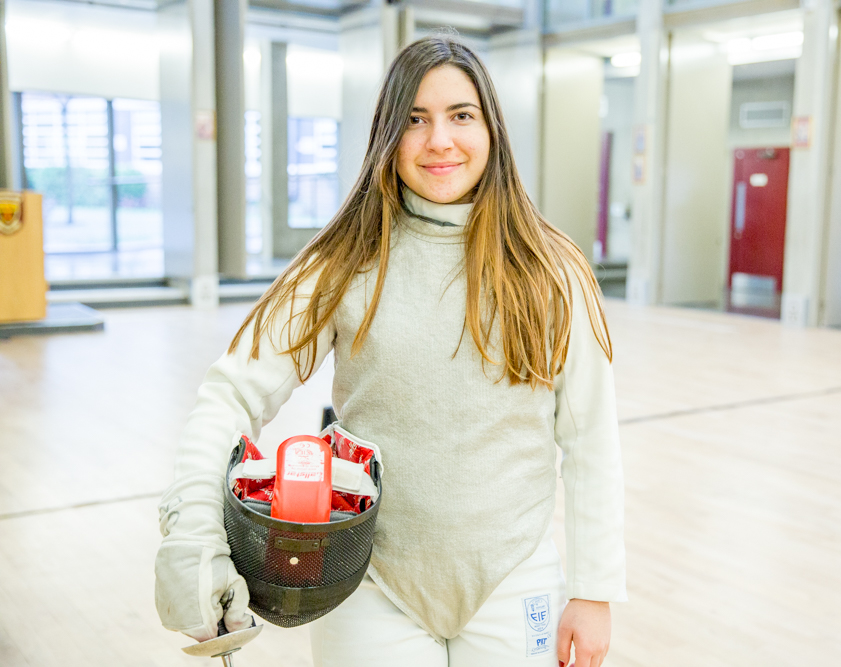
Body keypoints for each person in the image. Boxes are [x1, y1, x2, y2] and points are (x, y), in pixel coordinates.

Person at [154, 35, 626, 667]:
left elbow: (591, 438)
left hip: (514, 574)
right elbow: (230, 393)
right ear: (387, 135)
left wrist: (594, 592)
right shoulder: (343, 261)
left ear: (492, 129)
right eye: (415, 120)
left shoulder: (551, 268)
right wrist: (192, 533)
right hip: (370, 582)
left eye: (461, 115)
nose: (440, 141)